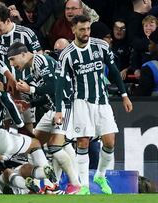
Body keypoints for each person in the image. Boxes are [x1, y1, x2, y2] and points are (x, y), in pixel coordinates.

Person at [54, 15, 133, 195]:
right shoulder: (67, 54)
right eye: (82, 29)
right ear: (73, 29)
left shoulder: (101, 46)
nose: (86, 33)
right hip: (80, 103)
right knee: (83, 142)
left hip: (102, 102)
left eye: (88, 29)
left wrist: (124, 95)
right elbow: (60, 84)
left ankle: (100, 175)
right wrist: (59, 109)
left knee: (110, 142)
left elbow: (113, 71)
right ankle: (84, 187)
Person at [6, 42, 80, 194]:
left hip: (65, 107)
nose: (12, 64)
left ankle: (76, 185)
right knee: (34, 145)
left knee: (55, 147)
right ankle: (48, 185)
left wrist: (30, 89)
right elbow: (49, 95)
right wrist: (30, 103)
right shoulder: (34, 68)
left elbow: (54, 86)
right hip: (53, 109)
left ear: (23, 54)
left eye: (12, 59)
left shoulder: (41, 60)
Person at [0, 4, 41, 132]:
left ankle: (29, 150)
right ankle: (6, 150)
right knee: (4, 123)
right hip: (3, 87)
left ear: (8, 21)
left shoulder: (26, 33)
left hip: (24, 85)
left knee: (27, 123)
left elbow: (39, 57)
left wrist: (32, 82)